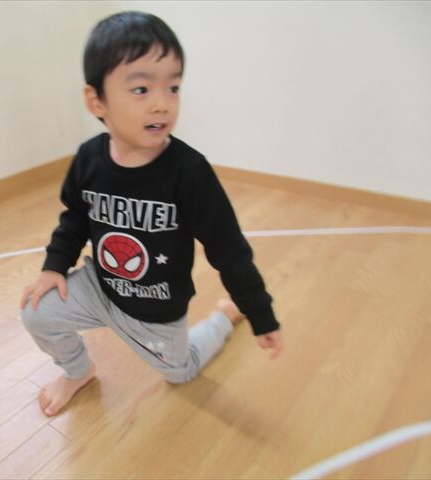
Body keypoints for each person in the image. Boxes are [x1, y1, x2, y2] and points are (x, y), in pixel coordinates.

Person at [20, 11, 283, 417]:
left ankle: (224, 316)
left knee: (180, 372)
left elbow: (229, 250)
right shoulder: (89, 158)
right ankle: (78, 372)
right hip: (100, 287)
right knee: (36, 313)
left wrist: (260, 312)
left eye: (173, 87)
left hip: (156, 310)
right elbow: (75, 217)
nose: (162, 103)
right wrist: (54, 266)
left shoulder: (189, 172)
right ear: (96, 101)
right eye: (141, 89)